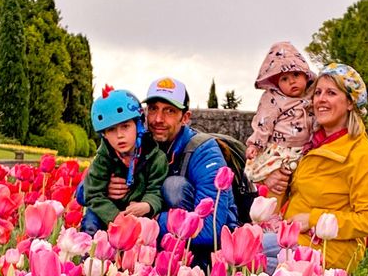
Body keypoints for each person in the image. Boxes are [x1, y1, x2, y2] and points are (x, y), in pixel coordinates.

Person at [262, 63, 368, 272]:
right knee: (241, 248)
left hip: (327, 251)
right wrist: (275, 184)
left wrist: (314, 220)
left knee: (250, 261)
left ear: (350, 102)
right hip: (292, 238)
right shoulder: (309, 144)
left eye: (331, 93)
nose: (321, 99)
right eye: (318, 93)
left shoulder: (364, 155)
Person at [100, 77, 237, 255]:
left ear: (185, 118)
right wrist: (106, 185)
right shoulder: (134, 138)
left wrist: (150, 220)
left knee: (173, 187)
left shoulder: (204, 151)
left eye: (169, 111)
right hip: (154, 242)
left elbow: (210, 229)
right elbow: (84, 190)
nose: (158, 119)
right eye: (153, 109)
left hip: (200, 247)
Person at [81, 88, 168, 235]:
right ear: (104, 135)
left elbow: (156, 189)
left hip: (139, 212)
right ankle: (89, 256)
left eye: (125, 126)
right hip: (108, 213)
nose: (119, 135)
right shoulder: (102, 159)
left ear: (138, 126)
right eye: (111, 130)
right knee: (90, 220)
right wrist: (115, 217)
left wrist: (147, 205)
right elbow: (93, 194)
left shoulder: (156, 157)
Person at [244, 42, 315, 196]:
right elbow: (264, 122)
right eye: (284, 79)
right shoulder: (274, 99)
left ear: (305, 74)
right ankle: (270, 217)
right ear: (277, 83)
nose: (292, 81)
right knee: (276, 187)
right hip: (280, 150)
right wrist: (255, 144)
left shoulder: (314, 94)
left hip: (305, 150)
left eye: (296, 74)